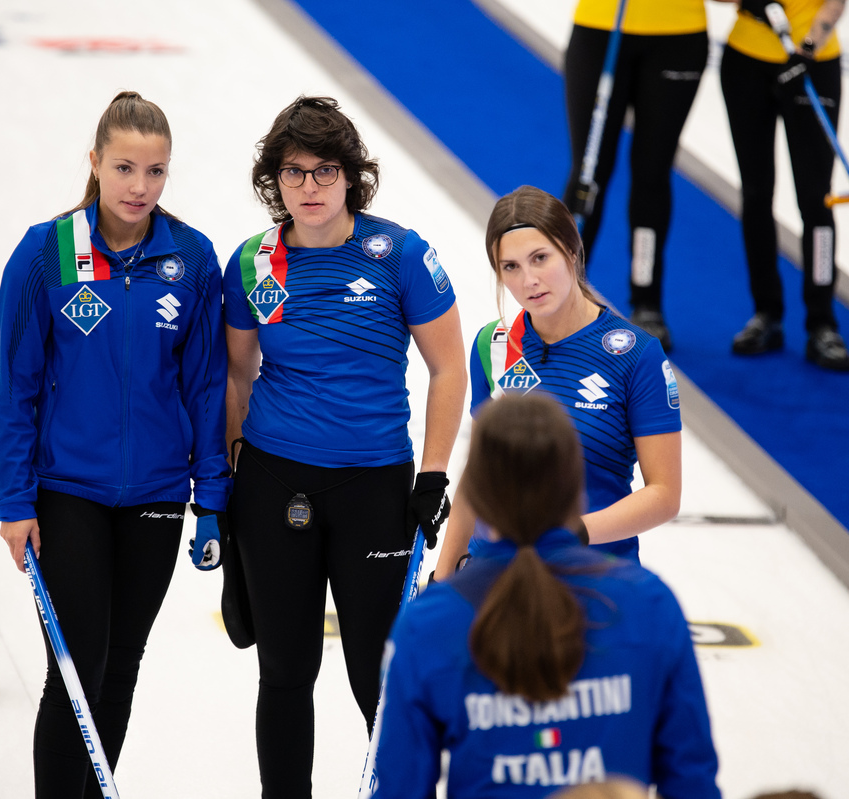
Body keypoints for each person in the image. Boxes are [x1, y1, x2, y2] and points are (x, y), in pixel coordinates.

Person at [223, 95, 468, 798]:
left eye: (324, 171)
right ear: (276, 180)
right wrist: (230, 477)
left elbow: (449, 368)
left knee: (380, 672)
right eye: (294, 173)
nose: (309, 187)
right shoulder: (253, 263)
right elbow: (236, 376)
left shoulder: (401, 254)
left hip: (373, 487)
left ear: (350, 176)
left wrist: (433, 472)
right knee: (285, 670)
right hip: (273, 483)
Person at [0, 90, 231, 798]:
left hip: (156, 496)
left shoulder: (190, 258)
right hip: (67, 494)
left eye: (156, 171)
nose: (140, 187)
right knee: (75, 668)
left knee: (121, 663)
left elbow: (207, 386)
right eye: (125, 168)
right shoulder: (46, 252)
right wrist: (15, 499)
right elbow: (17, 385)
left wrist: (211, 496)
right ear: (95, 163)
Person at [374, 393, 721, 798]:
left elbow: (399, 789)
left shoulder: (429, 624)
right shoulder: (648, 605)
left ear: (480, 496)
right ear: (578, 489)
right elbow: (691, 780)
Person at [434, 185, 681, 578]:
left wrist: (570, 533)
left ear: (571, 249)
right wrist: (443, 575)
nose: (528, 280)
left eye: (539, 258)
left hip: (589, 578)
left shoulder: (636, 355)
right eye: (510, 266)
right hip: (493, 578)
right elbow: (479, 473)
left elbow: (664, 495)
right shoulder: (492, 345)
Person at [563, 0, 728, 351]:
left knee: (652, 174)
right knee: (589, 173)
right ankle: (564, 291)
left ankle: (646, 298)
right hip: (603, 27)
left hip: (677, 35)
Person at [720, 0, 849, 370]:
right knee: (757, 193)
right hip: (745, 61)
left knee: (816, 200)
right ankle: (766, 314)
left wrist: (808, 48)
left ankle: (822, 322)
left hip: (813, 62)